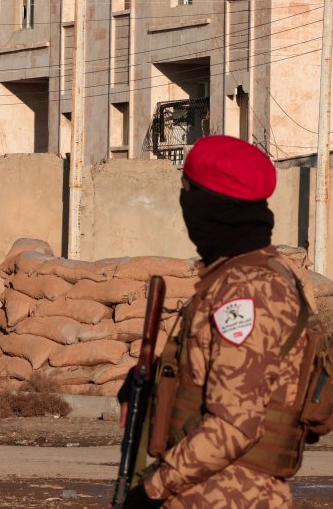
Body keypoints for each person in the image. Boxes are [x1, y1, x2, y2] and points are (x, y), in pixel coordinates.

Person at [132, 135, 308, 508]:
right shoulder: (235, 278)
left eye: (187, 192)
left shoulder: (248, 291)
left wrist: (152, 489)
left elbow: (234, 424)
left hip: (229, 496)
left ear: (210, 206)